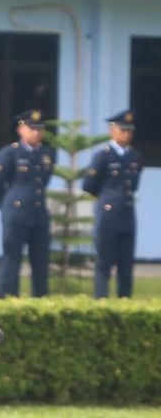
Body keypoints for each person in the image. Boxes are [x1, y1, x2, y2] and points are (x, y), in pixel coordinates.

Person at [0, 109, 54, 298]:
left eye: (39, 129)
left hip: (38, 214)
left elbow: (44, 181)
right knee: (11, 259)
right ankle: (7, 297)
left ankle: (40, 298)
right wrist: (7, 207)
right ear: (21, 129)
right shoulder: (10, 153)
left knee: (40, 260)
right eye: (31, 128)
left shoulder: (47, 154)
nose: (36, 132)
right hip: (16, 213)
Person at [82, 109, 143, 298]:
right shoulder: (103, 155)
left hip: (127, 213)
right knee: (104, 262)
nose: (127, 134)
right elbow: (89, 185)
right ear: (112, 131)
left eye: (130, 130)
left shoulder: (134, 156)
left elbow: (133, 185)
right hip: (108, 214)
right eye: (123, 129)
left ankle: (125, 300)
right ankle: (101, 299)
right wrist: (107, 198)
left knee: (126, 263)